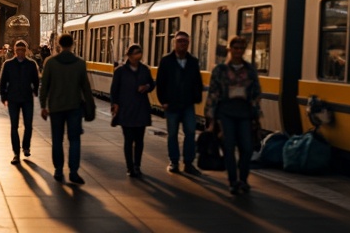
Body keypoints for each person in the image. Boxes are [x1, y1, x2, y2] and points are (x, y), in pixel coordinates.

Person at [205, 36, 263, 195]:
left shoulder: (250, 70)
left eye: (241, 48)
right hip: (225, 113)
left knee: (247, 147)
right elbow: (213, 94)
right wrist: (210, 119)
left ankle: (243, 179)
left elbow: (256, 93)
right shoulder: (220, 70)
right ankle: (233, 181)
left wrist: (256, 116)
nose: (238, 51)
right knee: (228, 147)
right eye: (235, 48)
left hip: (244, 113)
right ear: (229, 49)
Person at [39, 33, 93, 185]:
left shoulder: (50, 62)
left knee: (57, 139)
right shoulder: (80, 63)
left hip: (55, 108)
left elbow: (44, 86)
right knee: (74, 140)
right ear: (73, 44)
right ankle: (74, 172)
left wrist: (43, 105)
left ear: (58, 44)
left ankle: (58, 169)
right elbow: (86, 88)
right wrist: (90, 105)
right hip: (74, 107)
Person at [155, 31, 205, 174]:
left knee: (190, 133)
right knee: (172, 134)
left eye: (185, 42)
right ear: (174, 43)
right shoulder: (166, 61)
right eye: (180, 41)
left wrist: (197, 97)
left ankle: (188, 163)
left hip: (188, 104)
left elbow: (197, 81)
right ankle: (174, 161)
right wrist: (163, 101)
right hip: (171, 104)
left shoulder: (193, 61)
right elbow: (161, 82)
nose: (183, 44)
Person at [110, 44, 155, 178]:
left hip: (141, 109)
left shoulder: (145, 70)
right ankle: (130, 167)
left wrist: (146, 86)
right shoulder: (120, 71)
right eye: (135, 53)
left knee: (139, 140)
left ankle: (137, 166)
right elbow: (114, 90)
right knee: (129, 140)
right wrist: (114, 104)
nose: (137, 56)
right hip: (126, 109)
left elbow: (152, 84)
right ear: (129, 55)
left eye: (139, 53)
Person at [0, 39, 39, 165]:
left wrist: (35, 91)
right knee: (14, 126)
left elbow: (36, 80)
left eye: (22, 50)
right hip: (13, 98)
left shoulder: (31, 64)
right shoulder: (8, 64)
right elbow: (3, 81)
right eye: (18, 50)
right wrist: (3, 96)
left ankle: (26, 147)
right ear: (14, 51)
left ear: (26, 51)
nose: (20, 52)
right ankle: (16, 153)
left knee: (28, 125)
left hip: (27, 98)